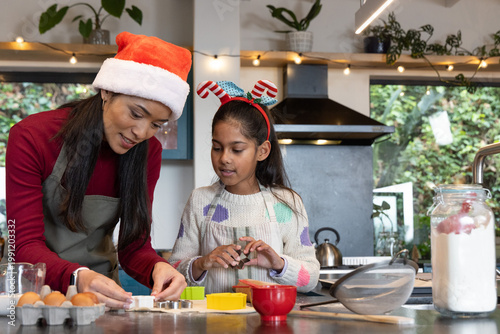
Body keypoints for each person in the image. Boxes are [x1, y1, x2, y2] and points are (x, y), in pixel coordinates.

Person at [5, 32, 192, 309]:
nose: (141, 132)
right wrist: (77, 276)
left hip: (103, 296)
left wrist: (158, 268)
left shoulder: (148, 152)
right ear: (106, 91)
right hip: (34, 293)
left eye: (157, 124)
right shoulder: (34, 136)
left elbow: (134, 246)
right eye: (136, 114)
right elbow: (23, 244)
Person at [168, 80, 320, 293]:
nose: (224, 159)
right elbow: (173, 272)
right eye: (217, 147)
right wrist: (202, 263)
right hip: (213, 324)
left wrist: (279, 264)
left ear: (262, 151)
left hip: (270, 324)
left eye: (236, 149)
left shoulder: (286, 203)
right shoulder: (200, 200)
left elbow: (311, 279)